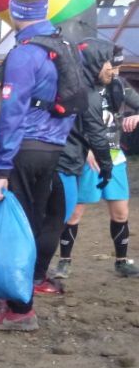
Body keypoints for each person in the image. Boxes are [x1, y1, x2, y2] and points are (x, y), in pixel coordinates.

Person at [0, 0, 81, 332]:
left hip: (24, 149)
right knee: (32, 224)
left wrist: (1, 168)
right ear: (45, 9)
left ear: (14, 10)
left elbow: (13, 113)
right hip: (53, 150)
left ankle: (20, 310)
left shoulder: (24, 54)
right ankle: (15, 297)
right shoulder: (66, 48)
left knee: (15, 230)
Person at [54, 43, 139, 279]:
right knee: (74, 213)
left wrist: (137, 116)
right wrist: (86, 148)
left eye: (118, 67)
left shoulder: (118, 85)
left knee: (121, 213)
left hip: (114, 157)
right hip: (87, 160)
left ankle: (121, 262)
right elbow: (69, 124)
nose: (116, 72)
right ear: (100, 65)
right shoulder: (79, 87)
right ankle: (64, 262)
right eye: (112, 66)